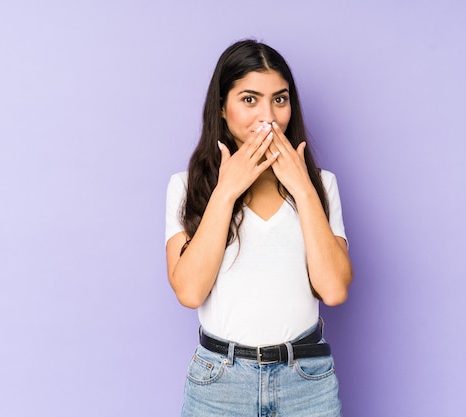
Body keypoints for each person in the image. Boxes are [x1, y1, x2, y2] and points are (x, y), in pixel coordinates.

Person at [165, 39, 353, 417]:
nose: (268, 116)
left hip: (307, 382)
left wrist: (302, 187)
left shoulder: (321, 185)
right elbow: (189, 291)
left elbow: (333, 290)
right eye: (249, 99)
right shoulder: (186, 187)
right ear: (222, 105)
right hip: (220, 384)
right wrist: (226, 191)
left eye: (279, 99)